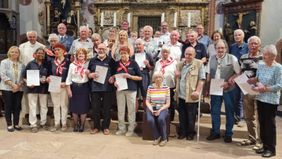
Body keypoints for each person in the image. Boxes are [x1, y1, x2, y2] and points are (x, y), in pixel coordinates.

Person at [248, 45, 282, 158]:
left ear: (273, 56)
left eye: (266, 54)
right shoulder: (261, 65)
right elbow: (258, 79)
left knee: (269, 124)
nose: (263, 56)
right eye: (263, 54)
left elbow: (279, 85)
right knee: (261, 123)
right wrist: (253, 81)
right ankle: (264, 145)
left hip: (271, 100)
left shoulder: (279, 68)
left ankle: (271, 149)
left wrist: (265, 88)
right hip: (260, 97)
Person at [206, 39, 241, 143]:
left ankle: (228, 134)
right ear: (215, 49)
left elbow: (238, 73)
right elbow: (208, 75)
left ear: (226, 48)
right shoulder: (212, 58)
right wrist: (207, 89)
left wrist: (229, 82)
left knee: (229, 111)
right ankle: (215, 132)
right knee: (215, 111)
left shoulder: (232, 58)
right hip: (215, 87)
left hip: (229, 88)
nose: (220, 50)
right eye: (218, 48)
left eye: (222, 48)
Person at [109, 46, 142, 136]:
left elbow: (140, 77)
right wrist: (114, 82)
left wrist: (130, 77)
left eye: (125, 53)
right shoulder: (116, 64)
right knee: (120, 109)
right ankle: (122, 128)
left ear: (129, 54)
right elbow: (113, 76)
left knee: (131, 110)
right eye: (122, 53)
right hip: (120, 89)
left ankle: (131, 129)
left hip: (131, 89)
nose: (123, 55)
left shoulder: (134, 63)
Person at [175, 47, 206, 140]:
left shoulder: (199, 64)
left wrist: (197, 91)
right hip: (181, 94)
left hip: (191, 94)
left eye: (190, 54)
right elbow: (177, 78)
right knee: (182, 115)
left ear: (194, 55)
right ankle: (183, 132)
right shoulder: (179, 65)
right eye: (186, 54)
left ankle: (190, 133)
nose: (188, 56)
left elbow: (201, 79)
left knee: (191, 116)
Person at [239, 36, 263, 148]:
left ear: (259, 45)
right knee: (248, 116)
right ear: (248, 45)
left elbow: (266, 74)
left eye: (255, 44)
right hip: (246, 89)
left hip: (258, 89)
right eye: (251, 44)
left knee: (259, 117)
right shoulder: (243, 57)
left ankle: (260, 140)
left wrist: (257, 81)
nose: (253, 46)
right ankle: (251, 138)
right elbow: (240, 72)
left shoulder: (264, 58)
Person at [88, 43, 114, 135]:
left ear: (106, 50)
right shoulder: (92, 60)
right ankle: (96, 127)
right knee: (95, 108)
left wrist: (113, 78)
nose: (101, 50)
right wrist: (90, 75)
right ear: (96, 49)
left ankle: (106, 127)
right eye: (99, 49)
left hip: (107, 88)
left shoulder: (111, 60)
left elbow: (115, 73)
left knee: (107, 108)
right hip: (95, 88)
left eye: (103, 49)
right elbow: (88, 72)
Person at [22, 47, 49, 133]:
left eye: (42, 53)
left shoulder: (47, 64)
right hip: (32, 89)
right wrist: (28, 83)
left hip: (43, 88)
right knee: (32, 107)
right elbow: (23, 77)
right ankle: (33, 125)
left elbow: (50, 76)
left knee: (44, 107)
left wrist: (47, 79)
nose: (41, 54)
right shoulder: (30, 64)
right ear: (35, 54)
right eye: (39, 53)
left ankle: (43, 123)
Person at [0, 46, 25, 132]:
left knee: (17, 106)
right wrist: (12, 85)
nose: (14, 53)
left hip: (19, 88)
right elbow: (2, 75)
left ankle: (16, 124)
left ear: (19, 54)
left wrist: (18, 85)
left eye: (16, 52)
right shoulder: (4, 62)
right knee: (8, 106)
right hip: (7, 88)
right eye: (12, 52)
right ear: (9, 53)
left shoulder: (21, 64)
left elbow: (23, 77)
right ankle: (9, 124)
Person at [47, 44, 70, 132]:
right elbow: (48, 73)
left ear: (63, 51)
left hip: (64, 86)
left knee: (63, 105)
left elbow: (70, 75)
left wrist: (66, 83)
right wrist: (48, 78)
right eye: (55, 50)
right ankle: (57, 124)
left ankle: (64, 124)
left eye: (58, 50)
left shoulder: (68, 62)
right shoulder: (51, 62)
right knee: (56, 105)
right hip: (54, 85)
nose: (56, 51)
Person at [66, 48, 90, 132]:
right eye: (79, 53)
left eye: (83, 54)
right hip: (74, 87)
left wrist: (89, 73)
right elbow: (68, 78)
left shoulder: (88, 64)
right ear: (76, 55)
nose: (81, 55)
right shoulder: (72, 65)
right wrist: (69, 89)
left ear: (85, 56)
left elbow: (91, 76)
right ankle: (76, 125)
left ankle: (82, 125)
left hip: (84, 87)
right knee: (74, 108)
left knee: (83, 108)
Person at [230, 29, 249, 127]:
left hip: (245, 76)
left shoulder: (247, 46)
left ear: (243, 36)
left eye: (239, 35)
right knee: (236, 97)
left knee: (244, 98)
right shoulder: (232, 47)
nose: (237, 37)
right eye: (235, 35)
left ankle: (243, 118)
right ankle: (236, 117)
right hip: (235, 75)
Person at [145, 72, 170, 146]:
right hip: (152, 107)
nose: (158, 79)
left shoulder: (166, 88)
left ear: (162, 79)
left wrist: (159, 110)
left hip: (162, 107)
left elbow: (168, 103)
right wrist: (151, 109)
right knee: (150, 120)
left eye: (160, 77)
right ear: (153, 79)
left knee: (161, 119)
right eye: (156, 77)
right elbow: (147, 101)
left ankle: (164, 138)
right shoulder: (150, 87)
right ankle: (157, 136)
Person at [154, 46, 177, 121]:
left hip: (169, 85)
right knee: (160, 102)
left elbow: (176, 74)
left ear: (169, 53)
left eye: (166, 52)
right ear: (161, 53)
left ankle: (170, 118)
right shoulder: (158, 62)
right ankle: (160, 117)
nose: (165, 53)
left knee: (169, 102)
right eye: (163, 52)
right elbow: (155, 73)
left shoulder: (174, 62)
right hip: (159, 86)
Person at [132, 39, 154, 109]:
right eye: (136, 45)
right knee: (135, 94)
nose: (138, 46)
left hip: (144, 75)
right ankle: (135, 114)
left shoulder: (148, 55)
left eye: (139, 44)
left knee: (145, 94)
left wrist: (148, 65)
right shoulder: (133, 56)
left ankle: (146, 113)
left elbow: (152, 67)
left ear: (143, 45)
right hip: (135, 75)